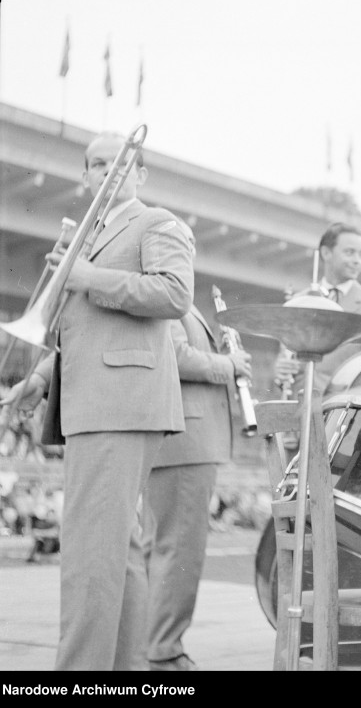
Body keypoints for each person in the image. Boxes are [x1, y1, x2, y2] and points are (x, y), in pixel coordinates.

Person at [0, 131, 194, 670]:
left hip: (120, 402)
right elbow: (77, 326)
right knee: (117, 553)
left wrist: (89, 277)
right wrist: (40, 378)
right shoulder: (88, 236)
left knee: (89, 555)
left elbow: (176, 294)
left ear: (139, 174)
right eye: (96, 164)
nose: (107, 171)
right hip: (98, 399)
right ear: (85, 177)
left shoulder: (156, 223)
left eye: (118, 162)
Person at [142, 222, 252, 672]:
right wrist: (229, 364)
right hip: (186, 440)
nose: (186, 256)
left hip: (183, 439)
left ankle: (150, 643)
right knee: (180, 550)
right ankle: (164, 651)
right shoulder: (169, 301)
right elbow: (178, 358)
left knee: (162, 546)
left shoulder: (179, 302)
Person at [274, 222, 361, 399]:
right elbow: (285, 361)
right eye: (349, 252)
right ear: (326, 253)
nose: (357, 260)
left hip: (342, 410)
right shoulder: (298, 301)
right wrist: (280, 372)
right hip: (298, 407)